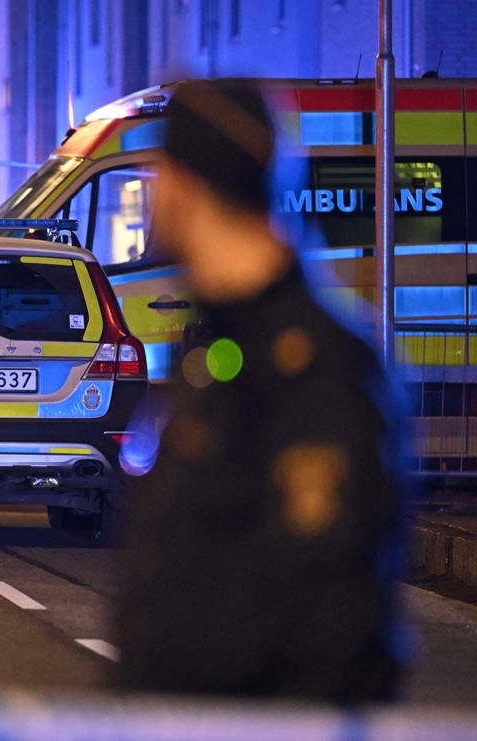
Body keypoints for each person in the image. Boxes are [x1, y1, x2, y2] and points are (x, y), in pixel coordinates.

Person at [115, 80, 409, 702]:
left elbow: (329, 616)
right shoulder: (218, 350)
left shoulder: (315, 368)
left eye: (158, 172)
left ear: (190, 184)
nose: (151, 194)